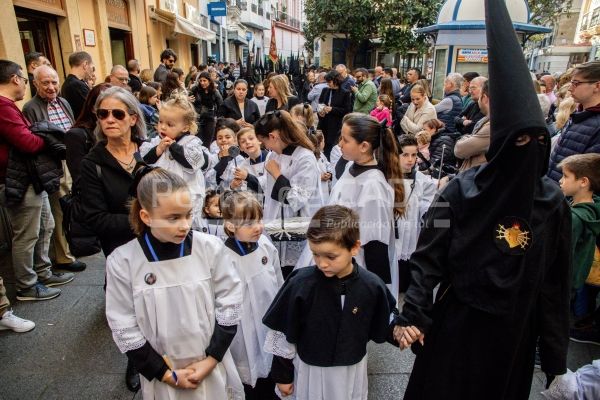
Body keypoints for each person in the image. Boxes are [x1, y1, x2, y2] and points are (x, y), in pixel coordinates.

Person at [392, 1, 571, 397]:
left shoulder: (552, 202)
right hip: (459, 324)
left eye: (538, 141)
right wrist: (416, 312)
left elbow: (555, 282)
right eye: (519, 140)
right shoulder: (460, 190)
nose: (529, 149)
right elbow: (428, 256)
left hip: (514, 335)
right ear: (503, 144)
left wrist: (556, 356)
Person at [105, 167, 244, 399]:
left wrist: (211, 359)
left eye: (188, 214)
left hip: (209, 362)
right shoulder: (123, 261)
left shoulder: (210, 248)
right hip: (164, 373)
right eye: (173, 218)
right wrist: (164, 373)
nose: (184, 225)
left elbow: (230, 302)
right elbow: (123, 323)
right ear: (146, 216)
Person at [262, 205, 397, 400]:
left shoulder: (371, 285)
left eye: (331, 256)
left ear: (354, 248)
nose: (322, 263)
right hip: (312, 370)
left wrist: (402, 332)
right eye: (315, 254)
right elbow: (283, 333)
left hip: (352, 369)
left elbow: (383, 319)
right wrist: (283, 376)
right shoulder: (301, 284)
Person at [0, 59, 74, 301]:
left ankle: (43, 272)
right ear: (14, 79)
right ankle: (26, 286)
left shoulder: (9, 106)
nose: (23, 83)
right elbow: (27, 142)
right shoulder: (4, 107)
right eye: (23, 78)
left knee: (46, 225)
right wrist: (50, 139)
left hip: (32, 178)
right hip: (19, 180)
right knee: (27, 234)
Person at [312, 113, 402, 296]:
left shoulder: (373, 187)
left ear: (364, 146)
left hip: (355, 274)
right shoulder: (350, 167)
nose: (340, 144)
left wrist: (376, 293)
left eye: (345, 140)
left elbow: (375, 244)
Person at [23, 65, 87, 272]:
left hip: (71, 159)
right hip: (53, 163)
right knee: (60, 208)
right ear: (35, 84)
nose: (51, 87)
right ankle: (64, 256)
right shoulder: (31, 107)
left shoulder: (63, 101)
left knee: (71, 203)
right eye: (45, 83)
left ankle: (72, 246)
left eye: (54, 82)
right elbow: (37, 138)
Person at [220, 191, 283, 399]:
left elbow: (278, 279)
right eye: (249, 223)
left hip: (269, 318)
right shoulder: (223, 258)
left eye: (259, 220)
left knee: (272, 361)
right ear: (230, 226)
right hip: (242, 327)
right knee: (248, 368)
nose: (258, 227)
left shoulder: (265, 245)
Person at [254, 110, 323, 274]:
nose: (265, 147)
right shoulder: (273, 156)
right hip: (276, 226)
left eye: (263, 142)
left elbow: (296, 199)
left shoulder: (305, 157)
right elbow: (268, 189)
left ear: (273, 136)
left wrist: (277, 174)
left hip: (298, 229)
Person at [140, 95, 206, 227]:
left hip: (186, 196)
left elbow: (194, 163)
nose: (163, 127)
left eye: (170, 124)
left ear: (185, 127)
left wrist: (173, 147)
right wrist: (158, 150)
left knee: (184, 226)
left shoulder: (191, 143)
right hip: (161, 194)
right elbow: (145, 161)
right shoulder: (154, 142)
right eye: (160, 122)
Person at [558, 154, 600, 344]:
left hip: (562, 280)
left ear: (583, 182)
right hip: (576, 279)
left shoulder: (574, 219)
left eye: (566, 176)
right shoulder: (593, 205)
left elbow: (559, 254)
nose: (560, 180)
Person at [395, 134, 436, 293]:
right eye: (405, 155)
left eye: (414, 155)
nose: (410, 159)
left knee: (407, 257)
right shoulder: (387, 177)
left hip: (412, 228)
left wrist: (427, 213)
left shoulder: (421, 179)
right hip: (394, 228)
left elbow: (427, 201)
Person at [547, 60, 600, 183]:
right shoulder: (579, 115)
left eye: (576, 83)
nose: (570, 88)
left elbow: (590, 179)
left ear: (597, 86)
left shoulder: (596, 124)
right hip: (555, 194)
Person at [65, 83, 112, 185]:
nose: (111, 117)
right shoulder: (77, 136)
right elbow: (80, 179)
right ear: (93, 108)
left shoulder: (121, 132)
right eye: (104, 109)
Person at [454, 79, 491, 172]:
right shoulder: (472, 105)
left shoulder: (491, 126)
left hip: (473, 177)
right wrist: (463, 122)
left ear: (485, 98)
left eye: (473, 88)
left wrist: (466, 136)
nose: (470, 91)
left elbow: (460, 150)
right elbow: (456, 119)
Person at [317, 70, 352, 158]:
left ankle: (330, 166)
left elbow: (347, 110)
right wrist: (320, 111)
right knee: (321, 144)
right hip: (323, 122)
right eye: (327, 81)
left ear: (336, 80)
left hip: (335, 124)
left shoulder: (345, 93)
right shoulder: (325, 90)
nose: (327, 83)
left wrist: (332, 109)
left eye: (329, 81)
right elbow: (320, 103)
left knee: (330, 146)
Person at [234, 127, 269, 199]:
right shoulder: (243, 166)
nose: (247, 142)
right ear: (241, 148)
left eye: (251, 138)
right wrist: (234, 186)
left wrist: (247, 177)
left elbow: (267, 185)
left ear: (259, 140)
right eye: (243, 142)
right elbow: (243, 191)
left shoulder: (271, 158)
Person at [190, 71, 223, 147]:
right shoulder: (195, 90)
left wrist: (216, 116)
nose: (202, 83)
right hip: (197, 119)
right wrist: (188, 99)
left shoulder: (215, 91)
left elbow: (221, 105)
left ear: (209, 81)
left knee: (207, 142)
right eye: (200, 80)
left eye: (204, 81)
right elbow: (187, 100)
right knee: (198, 141)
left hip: (210, 119)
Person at [206, 127, 245, 191]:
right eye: (220, 138)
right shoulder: (211, 158)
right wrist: (224, 159)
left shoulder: (240, 159)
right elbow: (209, 179)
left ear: (235, 140)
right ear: (216, 142)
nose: (223, 140)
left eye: (227, 137)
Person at [61, 51, 94, 120]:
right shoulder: (76, 85)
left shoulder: (67, 83)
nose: (92, 71)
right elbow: (92, 108)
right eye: (92, 67)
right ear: (85, 64)